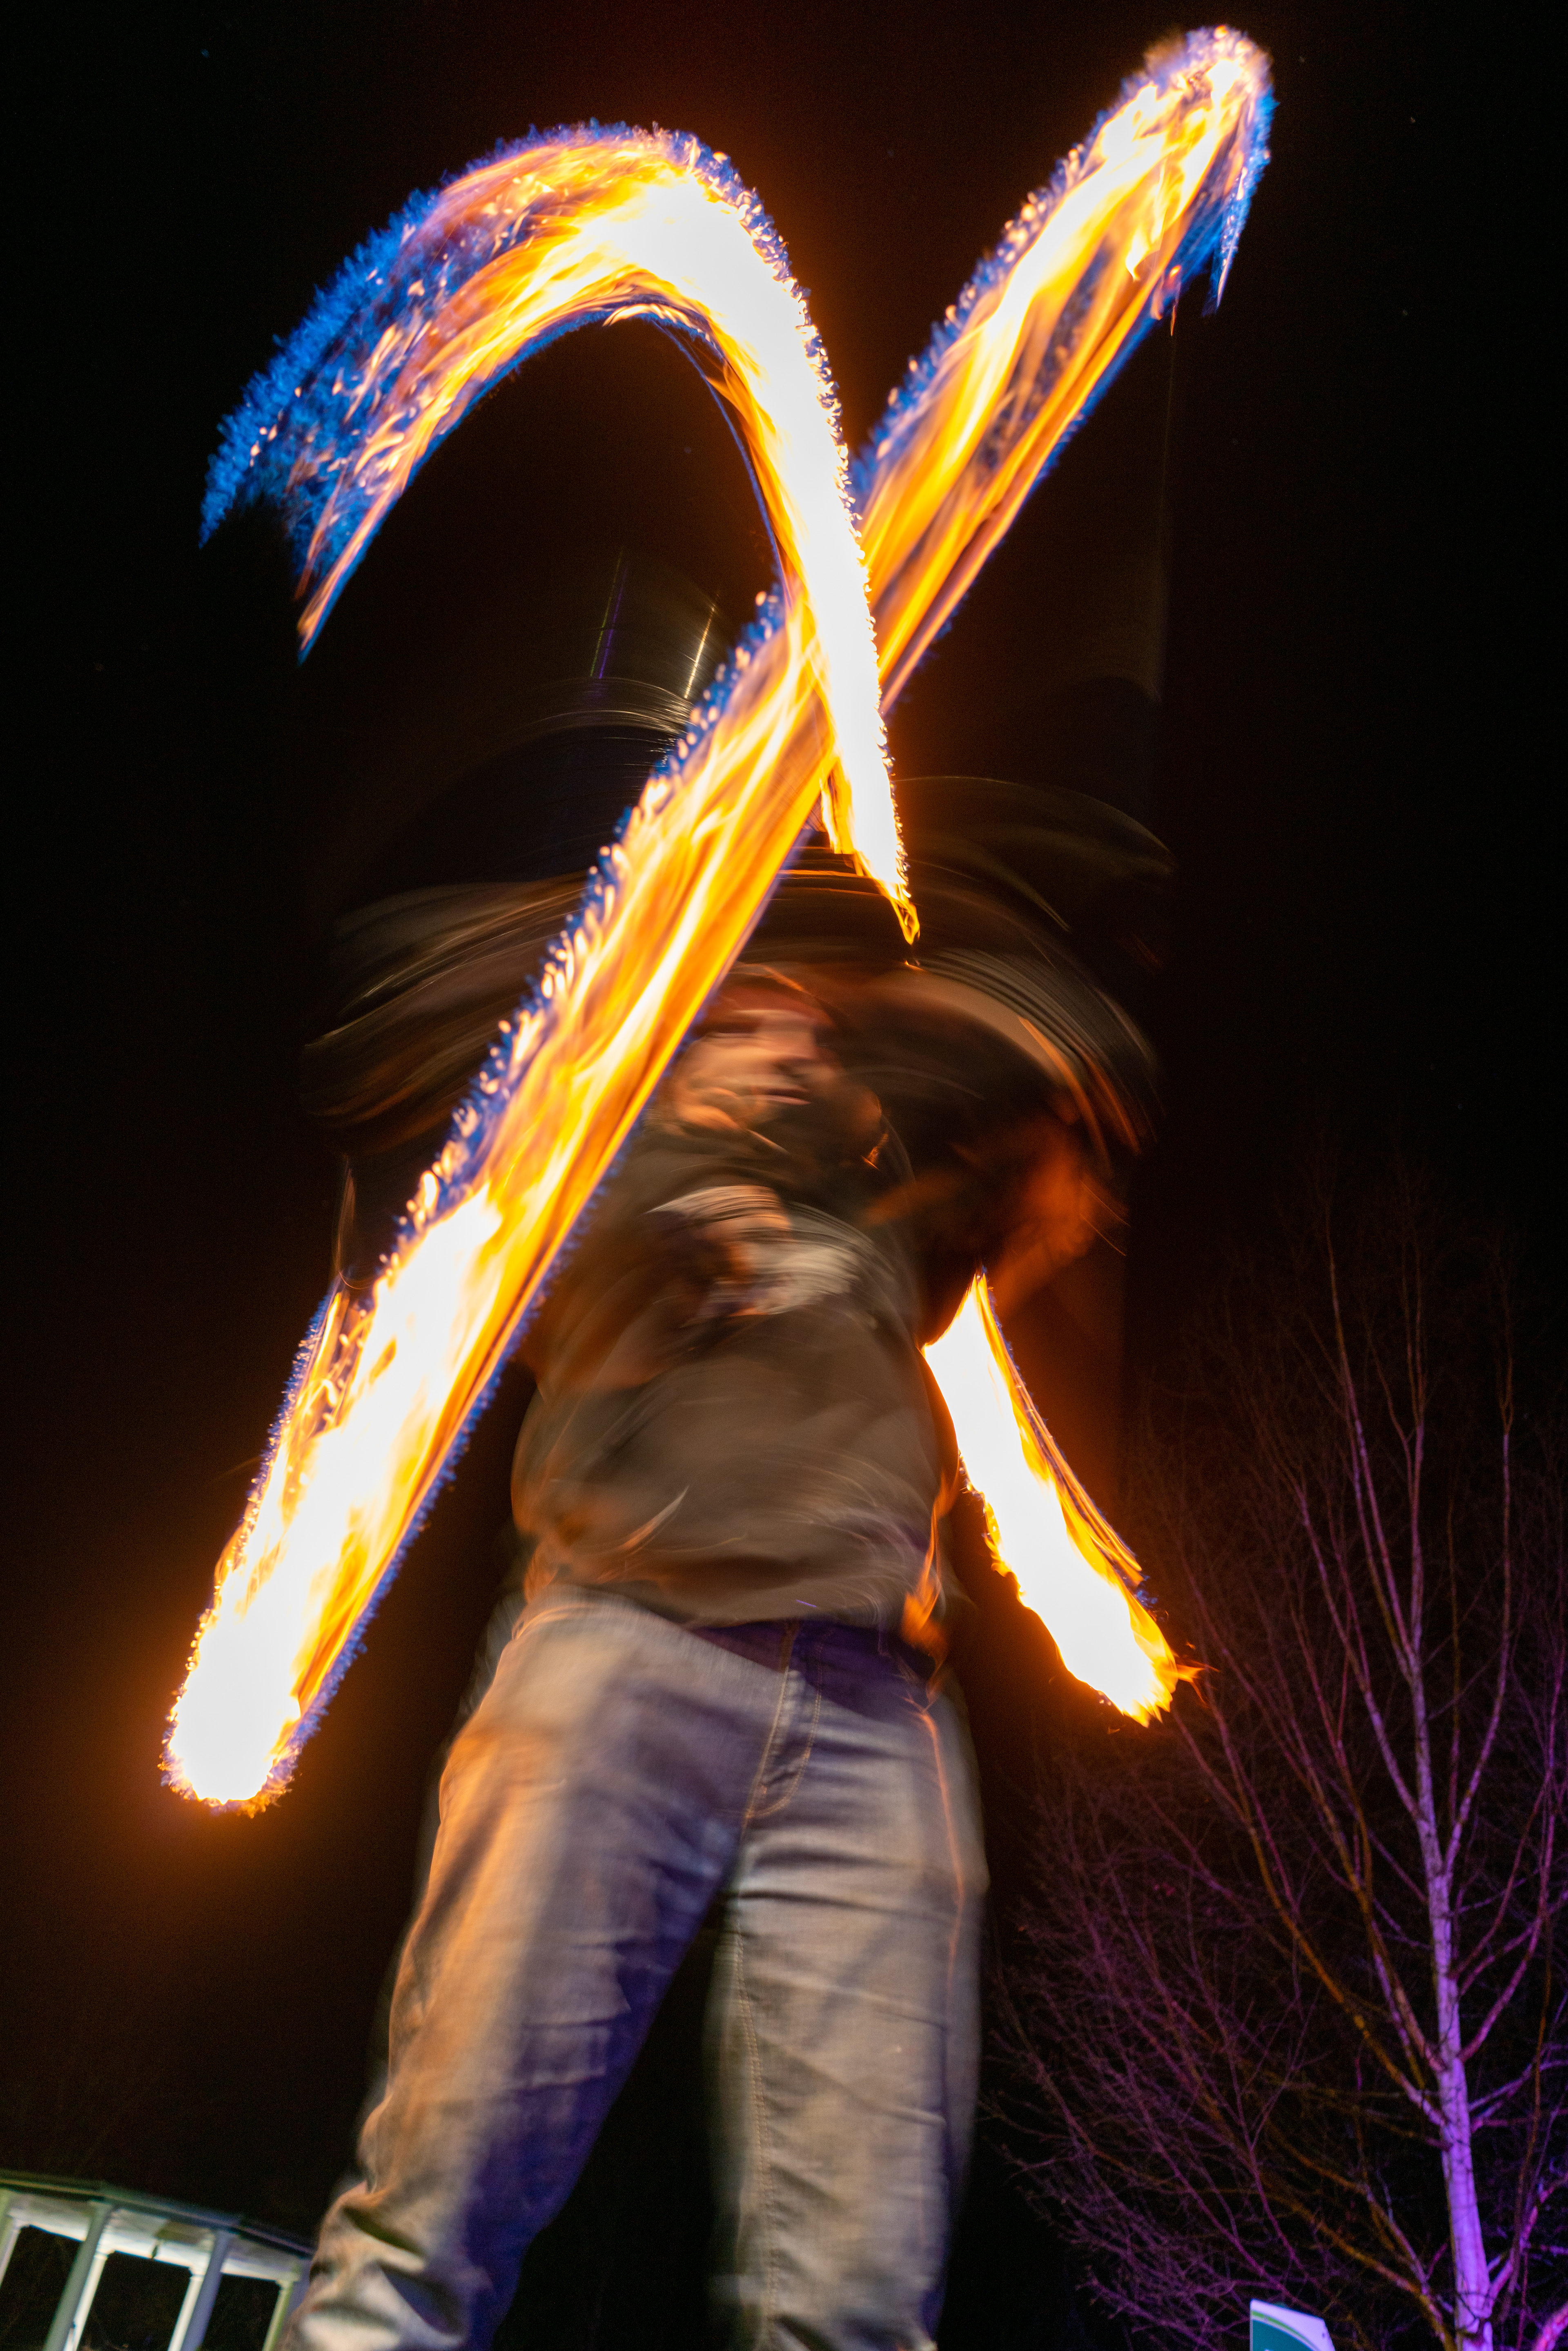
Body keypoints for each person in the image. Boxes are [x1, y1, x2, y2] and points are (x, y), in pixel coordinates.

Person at [285, 956, 1111, 2351]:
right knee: (437, 2217)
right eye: (748, 1026)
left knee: (859, 2299)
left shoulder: (877, 1223)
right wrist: (670, 1243)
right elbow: (477, 1244)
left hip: (875, 1719)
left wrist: (1019, 1075)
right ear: (670, 1054)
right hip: (622, 1661)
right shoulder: (593, 1168)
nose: (790, 1049)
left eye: (808, 1033)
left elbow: (1025, 1161)